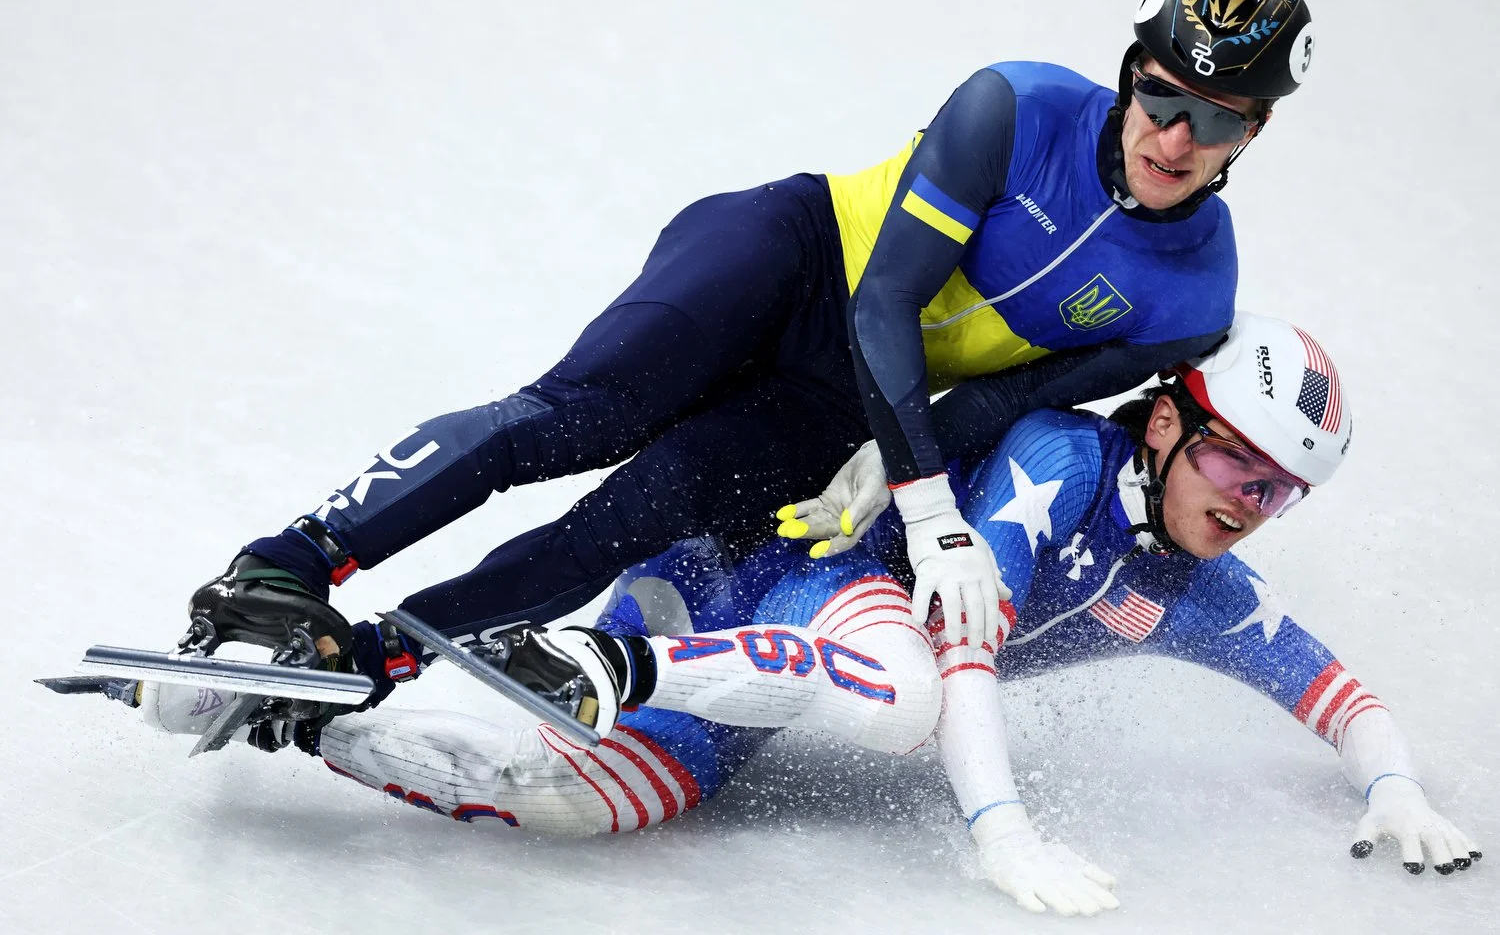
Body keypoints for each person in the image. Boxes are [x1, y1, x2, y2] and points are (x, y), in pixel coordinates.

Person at [186, 0, 1320, 710]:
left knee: (628, 517)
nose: (1174, 137)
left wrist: (891, 461)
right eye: (1162, 96)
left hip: (849, 402)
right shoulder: (1012, 105)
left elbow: (1010, 398)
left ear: (1255, 134)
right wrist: (930, 509)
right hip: (795, 259)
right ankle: (287, 567)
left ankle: (377, 648)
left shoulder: (1191, 300)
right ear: (1130, 74)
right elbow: (884, 297)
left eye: (1215, 119)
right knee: (579, 419)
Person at [115, 314, 1479, 917]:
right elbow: (964, 658)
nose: (1251, 505)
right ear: (1172, 418)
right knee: (908, 700)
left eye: (1281, 493)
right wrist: (1000, 832)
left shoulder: (1199, 586)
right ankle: (608, 655)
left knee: (587, 812)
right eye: (1240, 464)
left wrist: (1394, 789)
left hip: (760, 662)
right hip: (764, 572)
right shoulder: (1063, 467)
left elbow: (1333, 689)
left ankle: (282, 717)